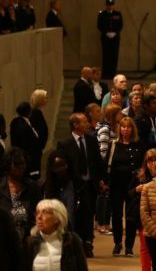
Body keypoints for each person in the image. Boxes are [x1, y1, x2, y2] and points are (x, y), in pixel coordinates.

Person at [56, 113, 106, 258]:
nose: (87, 123)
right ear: (75, 125)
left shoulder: (91, 140)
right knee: (74, 215)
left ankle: (88, 243)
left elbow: (97, 162)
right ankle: (75, 245)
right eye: (84, 121)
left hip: (90, 184)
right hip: (73, 186)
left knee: (89, 214)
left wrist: (102, 180)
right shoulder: (65, 144)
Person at [107, 116, 144, 256]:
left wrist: (141, 172)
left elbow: (142, 163)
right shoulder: (114, 144)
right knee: (116, 215)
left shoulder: (138, 144)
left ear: (132, 129)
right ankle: (118, 243)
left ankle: (129, 246)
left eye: (128, 127)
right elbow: (107, 164)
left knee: (131, 216)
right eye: (123, 127)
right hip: (116, 184)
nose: (125, 129)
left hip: (132, 185)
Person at [23, 199, 88, 271]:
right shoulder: (29, 243)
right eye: (37, 213)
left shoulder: (72, 241)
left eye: (45, 212)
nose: (39, 217)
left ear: (57, 218)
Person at [1, 148, 43, 242]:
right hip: (4, 237)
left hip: (28, 236)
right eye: (17, 164)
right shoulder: (1, 186)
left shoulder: (32, 187)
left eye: (23, 163)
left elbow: (39, 210)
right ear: (8, 165)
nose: (21, 167)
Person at [10, 101, 46, 180]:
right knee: (30, 178)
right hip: (28, 157)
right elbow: (25, 142)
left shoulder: (19, 122)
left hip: (30, 155)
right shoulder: (21, 124)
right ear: (28, 111)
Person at [97, 0, 123, 79]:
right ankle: (106, 74)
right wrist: (106, 33)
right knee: (106, 55)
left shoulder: (118, 14)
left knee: (114, 55)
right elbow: (99, 25)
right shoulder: (102, 14)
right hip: (106, 37)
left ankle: (112, 73)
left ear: (113, 5)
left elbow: (120, 25)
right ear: (106, 5)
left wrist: (115, 33)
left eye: (111, 5)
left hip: (115, 37)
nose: (110, 6)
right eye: (108, 5)